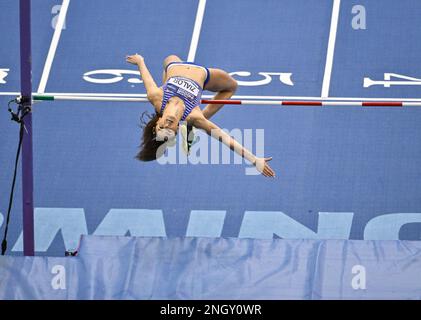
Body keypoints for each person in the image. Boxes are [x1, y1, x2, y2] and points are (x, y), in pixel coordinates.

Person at [126, 54, 275, 178]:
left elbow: (146, 76)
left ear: (158, 122)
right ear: (177, 129)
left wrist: (140, 61)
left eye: (162, 127)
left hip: (173, 66)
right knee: (232, 86)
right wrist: (254, 159)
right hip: (203, 74)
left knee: (169, 58)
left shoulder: (156, 96)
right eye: (169, 130)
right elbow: (227, 140)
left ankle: (191, 128)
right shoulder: (193, 115)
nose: (167, 125)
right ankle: (193, 127)